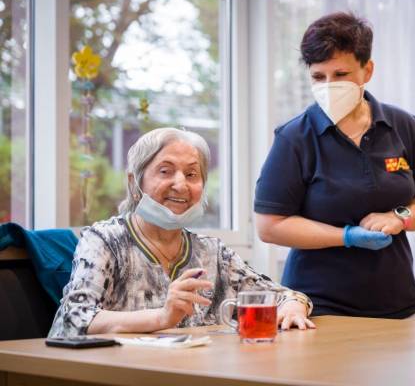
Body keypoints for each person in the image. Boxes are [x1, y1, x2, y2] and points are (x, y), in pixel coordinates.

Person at [254, 12, 415, 319]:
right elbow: (269, 226)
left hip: (399, 305)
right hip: (318, 307)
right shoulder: (294, 138)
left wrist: (400, 216)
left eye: (340, 74)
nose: (329, 85)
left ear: (367, 70)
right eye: (318, 76)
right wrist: (346, 236)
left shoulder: (404, 126)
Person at [49, 128, 314, 337]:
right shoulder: (104, 241)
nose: (181, 184)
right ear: (134, 182)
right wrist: (162, 317)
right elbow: (72, 319)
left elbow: (284, 295)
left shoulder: (212, 252)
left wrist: (291, 307)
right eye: (165, 171)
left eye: (192, 174)